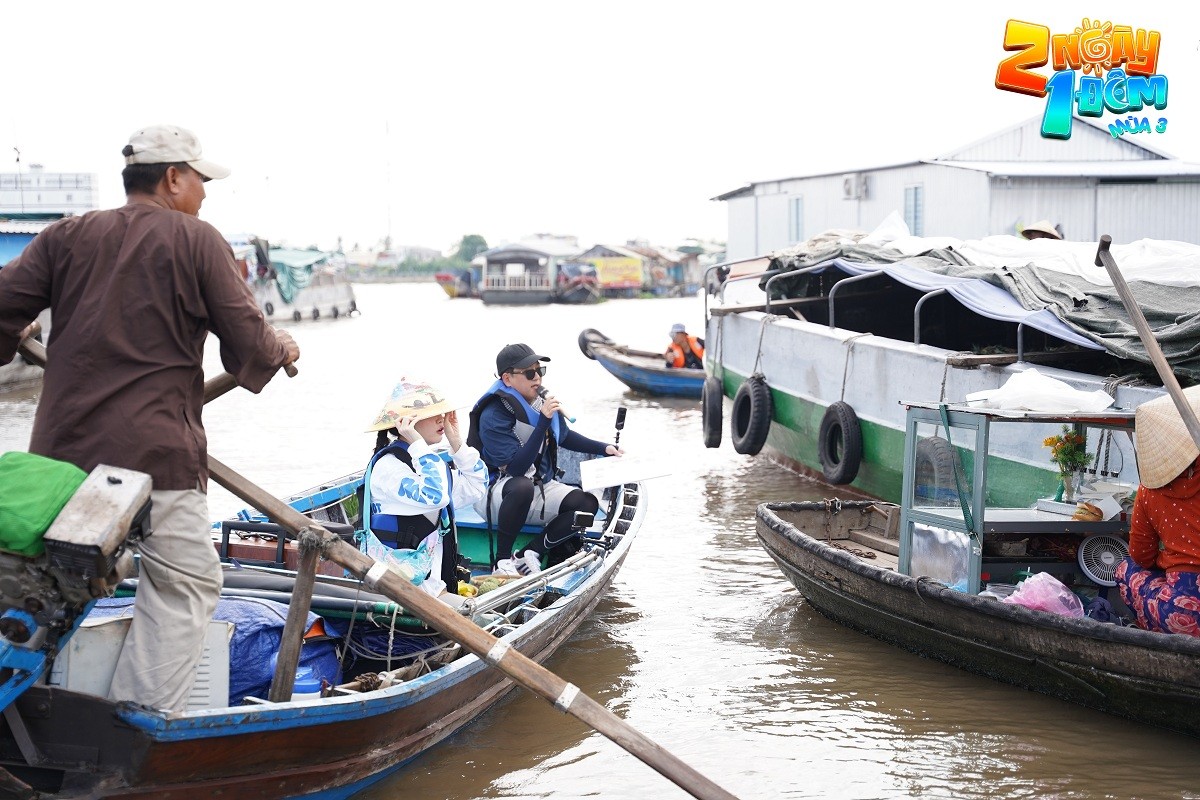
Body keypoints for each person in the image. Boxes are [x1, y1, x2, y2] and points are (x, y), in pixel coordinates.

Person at [0, 124, 299, 710]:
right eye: (200, 180)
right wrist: (281, 347)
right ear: (172, 178)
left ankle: (32, 708)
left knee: (51, 589)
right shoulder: (197, 240)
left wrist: (18, 330)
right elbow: (251, 345)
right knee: (188, 584)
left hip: (61, 462)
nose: (205, 194)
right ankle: (133, 722)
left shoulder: (67, 236)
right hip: (154, 462)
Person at [469, 343, 623, 574]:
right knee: (521, 486)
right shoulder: (494, 414)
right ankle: (502, 561)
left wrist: (605, 448)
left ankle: (529, 553)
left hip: (538, 486)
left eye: (540, 371)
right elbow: (516, 469)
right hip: (497, 492)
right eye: (530, 373)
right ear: (507, 379)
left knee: (586, 505)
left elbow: (565, 437)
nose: (537, 378)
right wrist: (542, 422)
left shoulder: (539, 401)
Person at [363, 380, 488, 598]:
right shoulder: (388, 467)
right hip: (400, 590)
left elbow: (477, 486)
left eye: (441, 411)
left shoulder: (427, 463)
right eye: (431, 413)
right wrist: (418, 445)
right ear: (406, 423)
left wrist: (456, 443)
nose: (441, 418)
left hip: (432, 586)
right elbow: (435, 496)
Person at [1115, 386, 1200, 637]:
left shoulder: (1149, 492)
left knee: (1126, 569)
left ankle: (1154, 634)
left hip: (1184, 615)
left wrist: (1173, 559)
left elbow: (1141, 556)